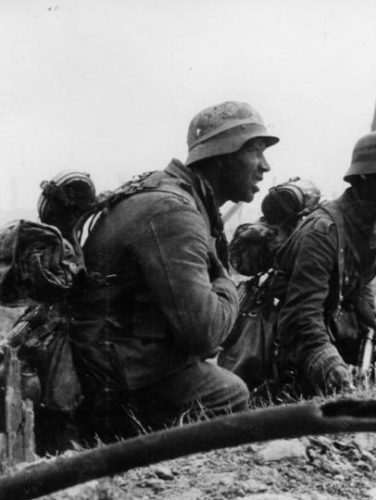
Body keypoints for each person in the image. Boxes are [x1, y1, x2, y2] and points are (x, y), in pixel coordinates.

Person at [69, 101, 278, 441]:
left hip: (113, 358)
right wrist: (227, 283)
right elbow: (206, 333)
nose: (265, 166)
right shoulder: (174, 212)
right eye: (255, 151)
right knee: (228, 394)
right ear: (224, 154)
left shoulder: (177, 197)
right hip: (108, 379)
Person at [270, 130, 376, 394]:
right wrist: (329, 364)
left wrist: (368, 315)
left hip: (323, 331)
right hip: (287, 346)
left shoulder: (369, 225)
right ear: (368, 174)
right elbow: (301, 315)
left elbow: (357, 281)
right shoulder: (323, 231)